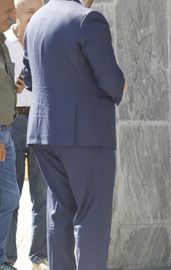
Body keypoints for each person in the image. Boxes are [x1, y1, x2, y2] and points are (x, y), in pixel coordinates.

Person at [22, 0, 127, 269]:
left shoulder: (35, 21)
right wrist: (120, 85)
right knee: (92, 217)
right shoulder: (88, 19)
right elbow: (111, 81)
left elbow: (31, 79)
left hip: (44, 133)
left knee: (59, 214)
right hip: (86, 133)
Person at [3, 1, 48, 269]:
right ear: (17, 14)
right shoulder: (3, 43)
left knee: (42, 194)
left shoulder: (46, 41)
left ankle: (39, 256)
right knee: (12, 192)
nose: (37, 16)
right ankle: (8, 258)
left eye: (39, 10)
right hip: (13, 121)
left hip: (41, 121)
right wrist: (14, 88)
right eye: (31, 11)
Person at [0, 0, 21, 269]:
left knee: (9, 198)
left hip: (7, 130)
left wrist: (13, 88)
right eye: (7, 11)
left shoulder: (2, 41)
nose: (13, 16)